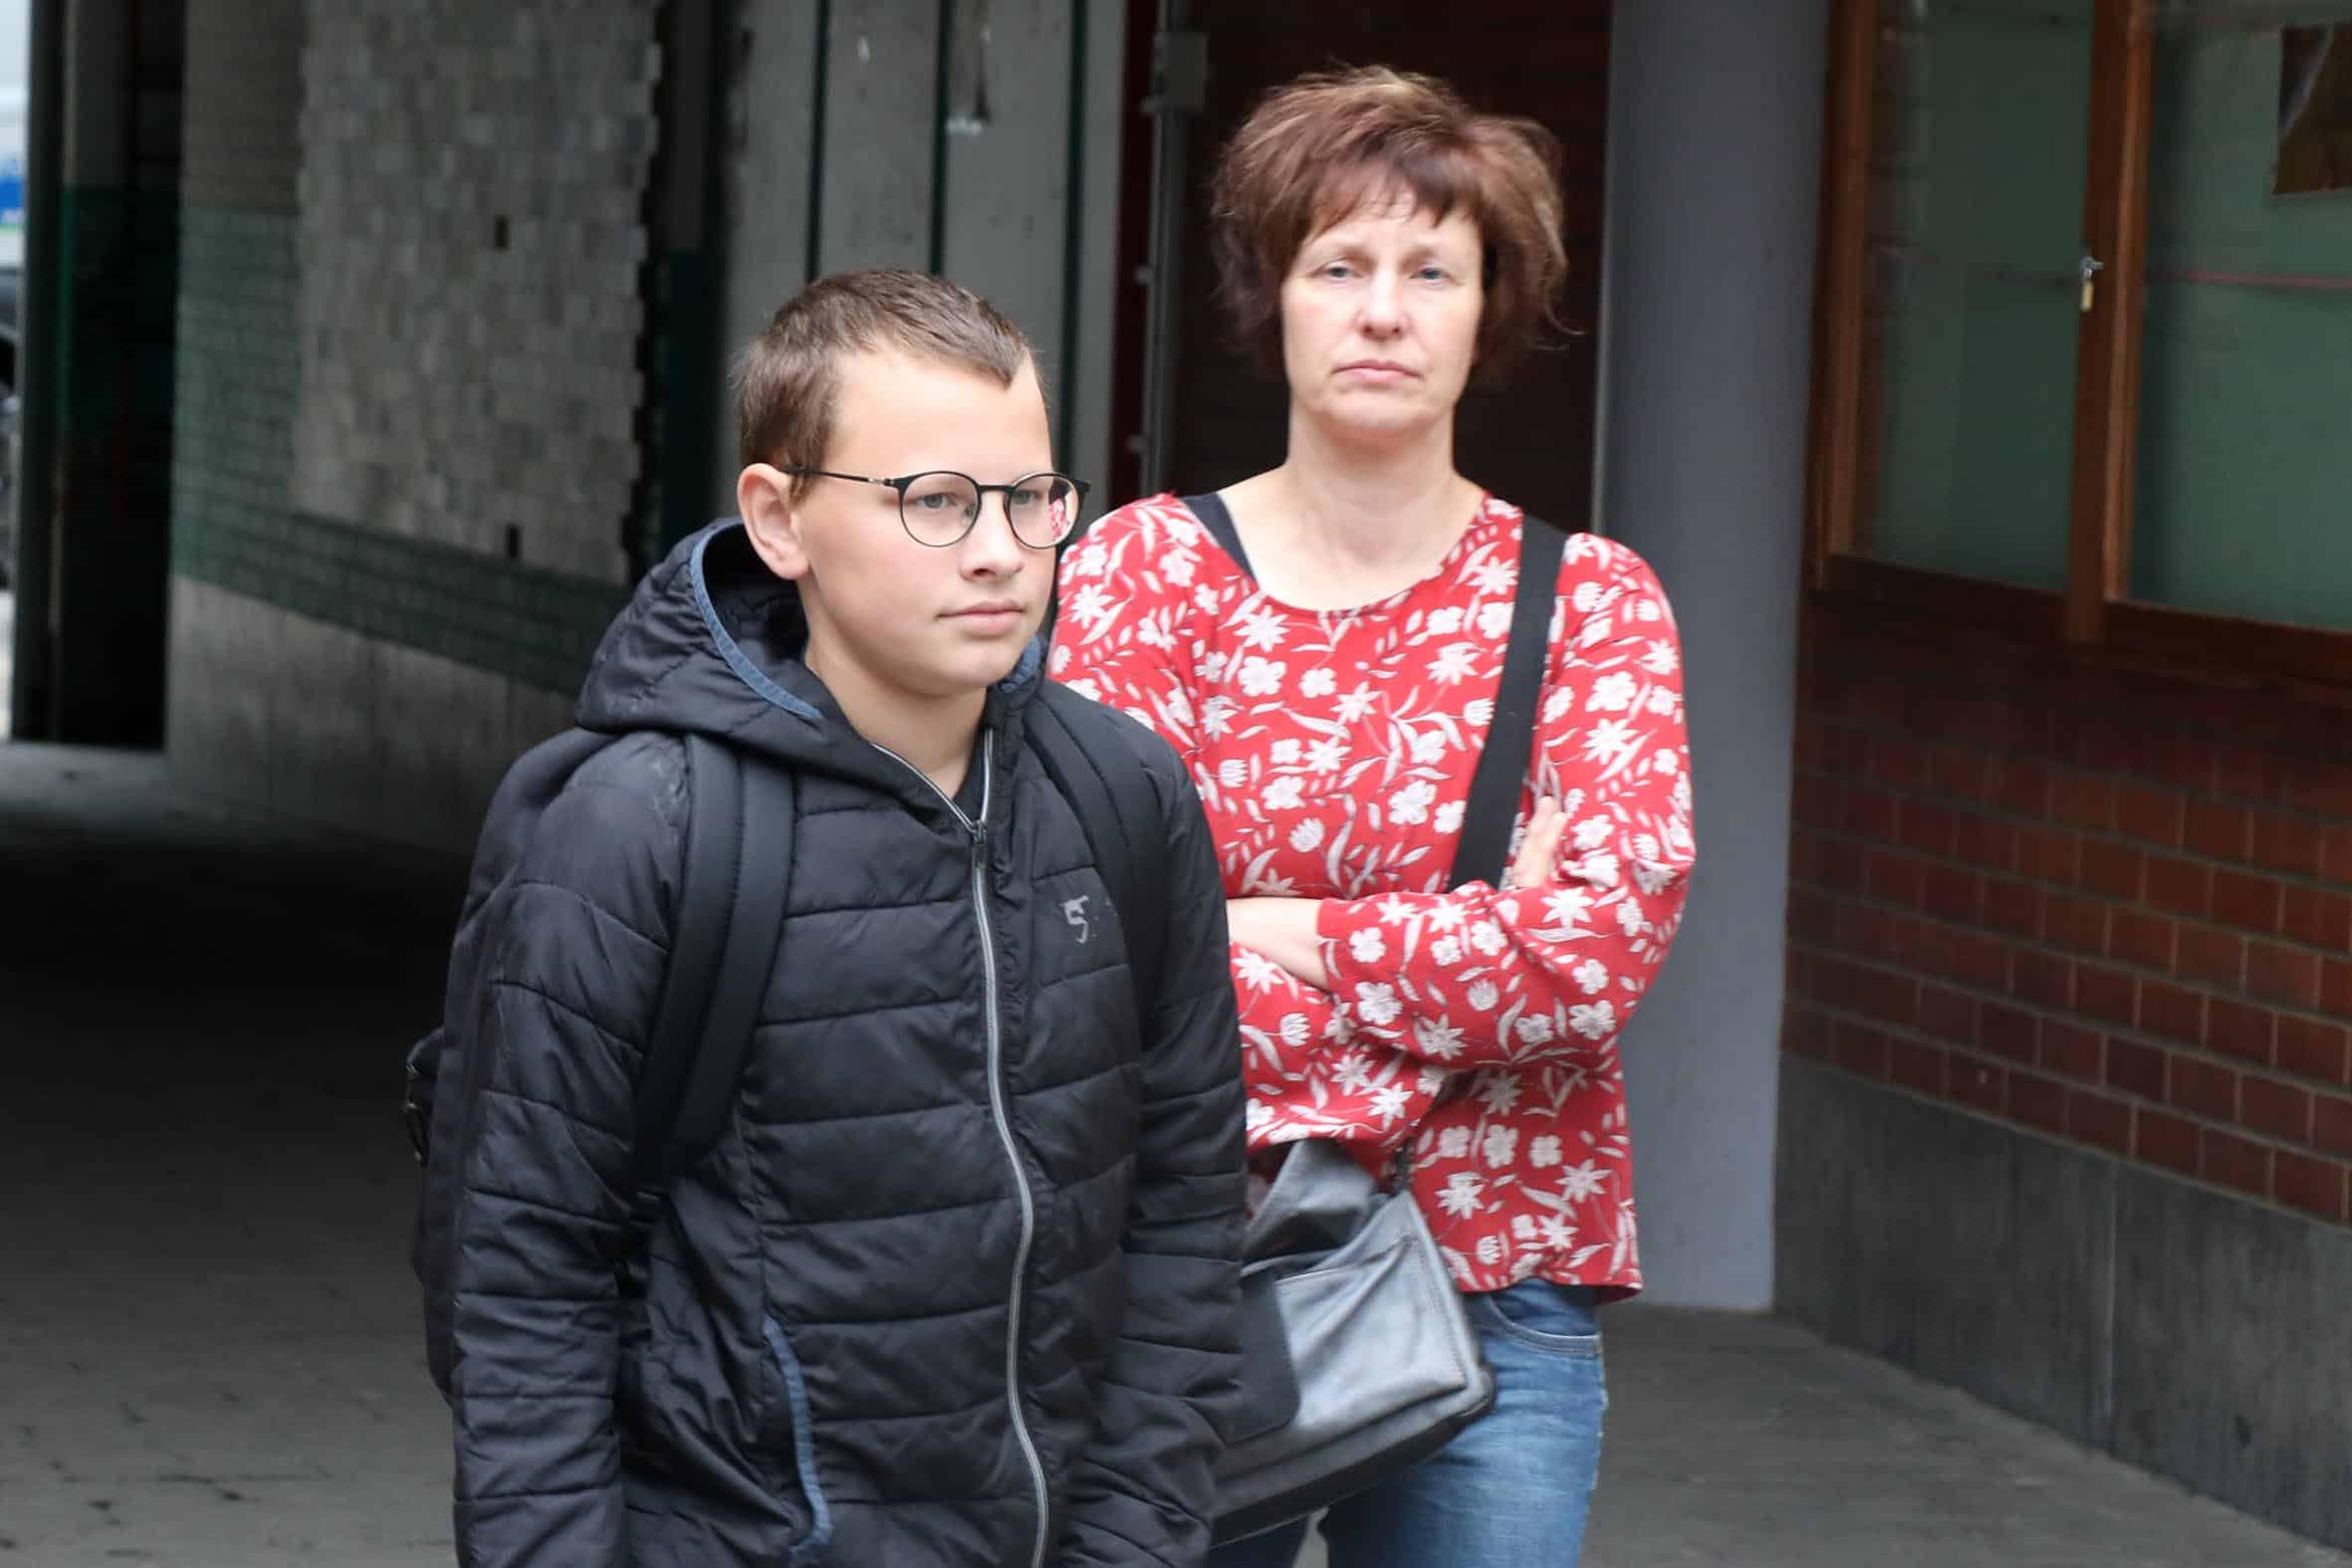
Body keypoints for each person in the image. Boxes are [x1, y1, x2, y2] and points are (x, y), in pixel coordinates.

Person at [416, 270, 1247, 1566]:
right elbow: (522, 1280)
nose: (998, 550)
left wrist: (1132, 1543)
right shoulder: (641, 827)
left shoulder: (1124, 795)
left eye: (1031, 497)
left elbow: (1184, 1211)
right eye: (934, 501)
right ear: (778, 518)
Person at [1052, 69, 1696, 1567]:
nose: (1383, 313)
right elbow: (1105, 950)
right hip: (1185, 1286)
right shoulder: (1145, 575)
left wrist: (1259, 924)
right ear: (1271, 297)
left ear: (1489, 309)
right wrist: (1465, 954)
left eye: (1431, 272)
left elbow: (1585, 963)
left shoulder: (1591, 603)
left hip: (1497, 1287)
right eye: (1337, 266)